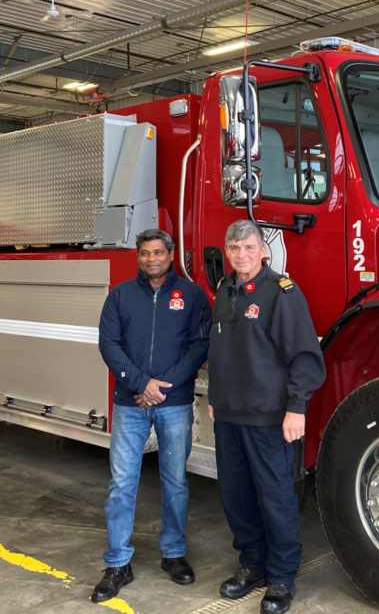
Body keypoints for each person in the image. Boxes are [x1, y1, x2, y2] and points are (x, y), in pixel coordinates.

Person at [207, 220, 327, 614]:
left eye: (248, 247)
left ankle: (281, 576)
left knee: (276, 497)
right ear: (227, 251)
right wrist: (214, 397)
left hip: (268, 417)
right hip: (228, 414)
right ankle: (253, 565)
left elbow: (306, 358)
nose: (241, 254)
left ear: (263, 251)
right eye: (234, 247)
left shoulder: (282, 294)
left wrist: (296, 408)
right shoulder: (225, 289)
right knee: (235, 496)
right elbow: (221, 350)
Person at [92, 229, 211, 603]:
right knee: (121, 484)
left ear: (171, 254)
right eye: (145, 253)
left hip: (174, 403)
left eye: (158, 252)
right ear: (138, 257)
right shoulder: (120, 296)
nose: (152, 259)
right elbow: (108, 345)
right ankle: (117, 563)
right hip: (131, 404)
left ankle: (173, 554)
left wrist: (163, 387)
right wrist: (141, 384)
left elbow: (199, 346)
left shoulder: (192, 296)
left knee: (175, 482)